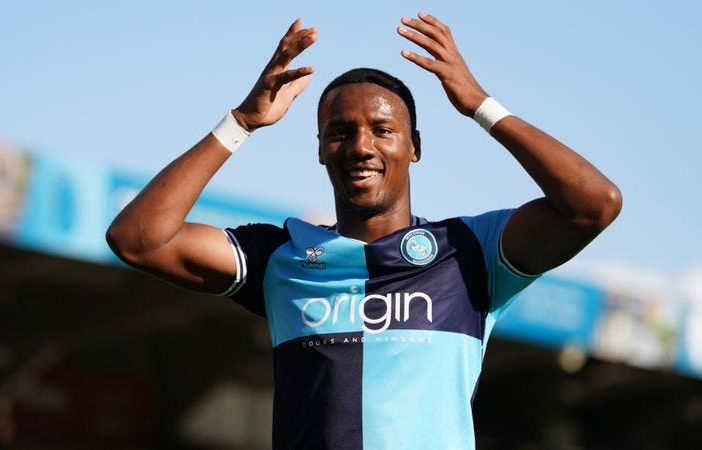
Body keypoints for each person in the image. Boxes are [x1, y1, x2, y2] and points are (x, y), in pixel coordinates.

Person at [106, 12, 622, 450]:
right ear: (319, 149)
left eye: (382, 129)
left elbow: (594, 204)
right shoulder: (280, 257)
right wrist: (241, 122)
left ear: (414, 146)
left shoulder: (470, 253)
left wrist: (479, 105)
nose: (360, 146)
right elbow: (138, 239)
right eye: (340, 132)